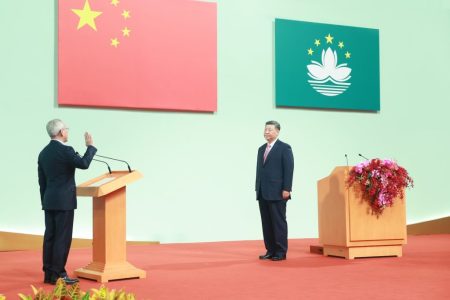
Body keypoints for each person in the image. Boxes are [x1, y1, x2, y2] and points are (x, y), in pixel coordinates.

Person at [38, 119, 97, 284]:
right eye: (67, 130)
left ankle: (49, 274)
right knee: (62, 238)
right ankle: (59, 275)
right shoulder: (66, 151)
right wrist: (90, 147)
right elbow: (84, 164)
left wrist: (45, 200)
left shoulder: (43, 153)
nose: (67, 132)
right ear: (61, 132)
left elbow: (41, 181)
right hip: (64, 201)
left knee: (50, 236)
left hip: (49, 200)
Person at [255, 120, 294, 261]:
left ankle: (280, 252)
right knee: (266, 223)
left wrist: (287, 189)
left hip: (278, 192)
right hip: (262, 192)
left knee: (278, 222)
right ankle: (270, 250)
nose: (266, 132)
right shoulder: (261, 149)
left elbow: (289, 169)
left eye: (270, 130)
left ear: (277, 131)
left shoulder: (284, 148)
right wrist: (257, 187)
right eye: (265, 129)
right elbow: (260, 171)